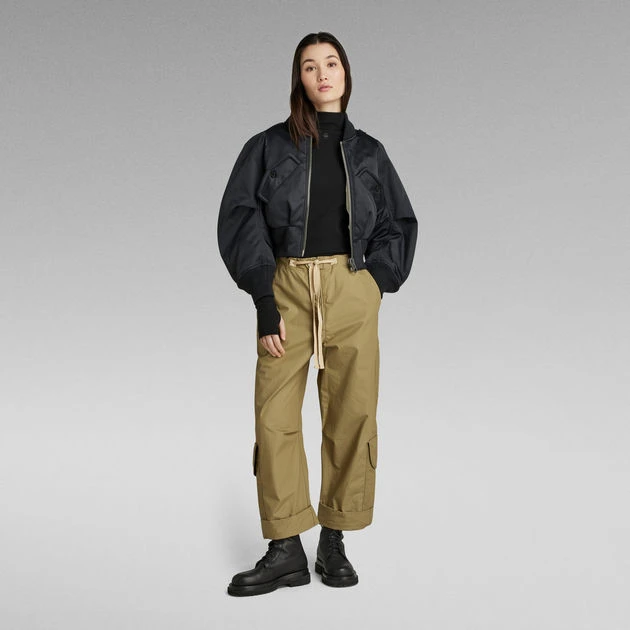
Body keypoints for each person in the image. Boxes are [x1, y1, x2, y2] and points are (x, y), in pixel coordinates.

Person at [217, 31, 418, 597]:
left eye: (331, 63)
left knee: (352, 414)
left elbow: (398, 222)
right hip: (285, 287)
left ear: (346, 74)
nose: (322, 74)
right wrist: (263, 300)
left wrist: (375, 284)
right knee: (274, 416)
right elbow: (240, 218)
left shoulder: (369, 152)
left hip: (351, 289)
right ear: (298, 79)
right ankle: (285, 547)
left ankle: (334, 537)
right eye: (310, 66)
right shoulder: (267, 147)